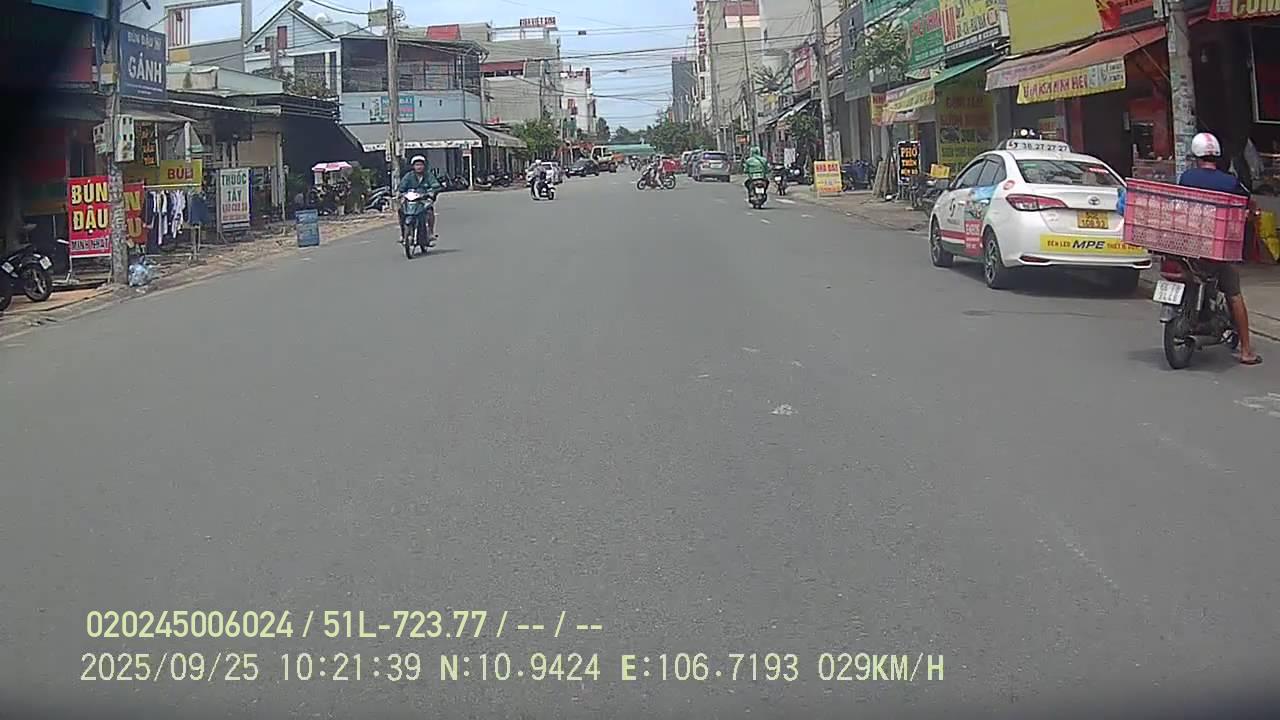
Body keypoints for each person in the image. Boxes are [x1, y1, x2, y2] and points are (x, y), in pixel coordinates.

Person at [1178, 132, 1261, 365]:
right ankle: (1246, 351)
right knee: (1234, 293)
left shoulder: (1186, 177)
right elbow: (1246, 205)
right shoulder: (1229, 182)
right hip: (1217, 248)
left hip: (1189, 245)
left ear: (1196, 155)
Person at [397, 155, 442, 246]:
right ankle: (403, 234)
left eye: (420, 165)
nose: (419, 167)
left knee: (429, 211)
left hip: (423, 200)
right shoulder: (409, 176)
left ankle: (430, 233)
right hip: (411, 200)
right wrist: (400, 194)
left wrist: (431, 192)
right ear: (413, 166)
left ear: (424, 166)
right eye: (417, 165)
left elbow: (435, 186)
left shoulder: (428, 175)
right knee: (401, 211)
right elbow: (401, 187)